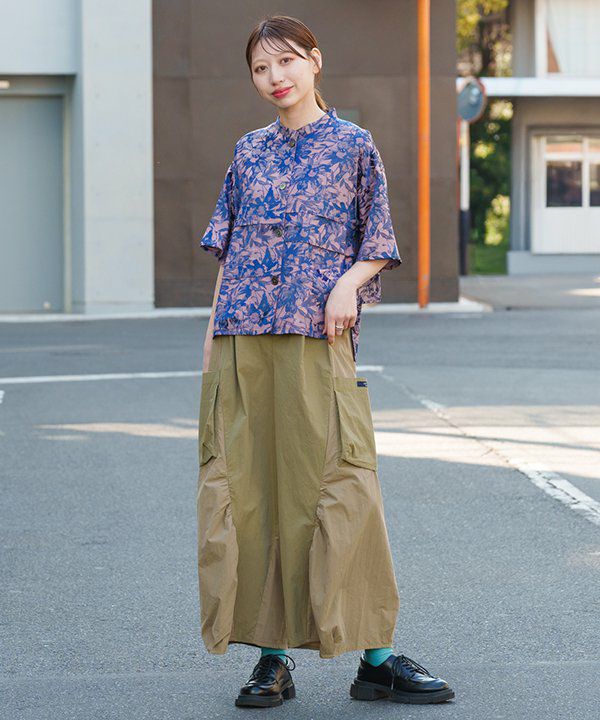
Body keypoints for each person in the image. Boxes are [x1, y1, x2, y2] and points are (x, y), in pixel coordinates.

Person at [196, 14, 455, 709]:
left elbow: (380, 241)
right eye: (260, 68)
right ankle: (271, 659)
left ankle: (377, 658)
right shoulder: (248, 152)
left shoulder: (354, 146)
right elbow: (227, 253)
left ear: (315, 60)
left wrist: (346, 285)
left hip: (319, 341)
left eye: (285, 61)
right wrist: (211, 340)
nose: (274, 77)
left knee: (343, 488)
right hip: (243, 340)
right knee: (253, 496)